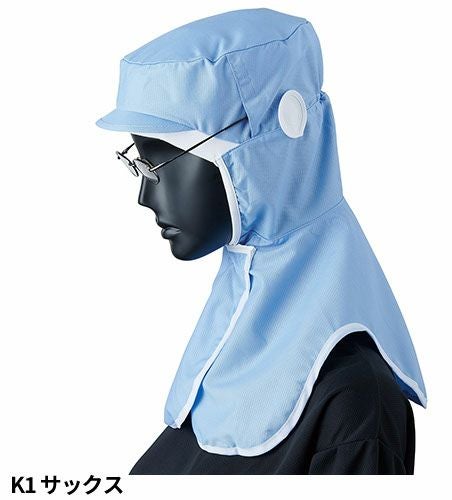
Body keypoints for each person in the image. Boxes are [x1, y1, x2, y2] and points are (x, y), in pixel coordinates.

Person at [96, 8, 426, 474]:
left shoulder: (356, 407)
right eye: (138, 162)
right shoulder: (220, 373)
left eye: (162, 160)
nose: (145, 197)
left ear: (268, 145)